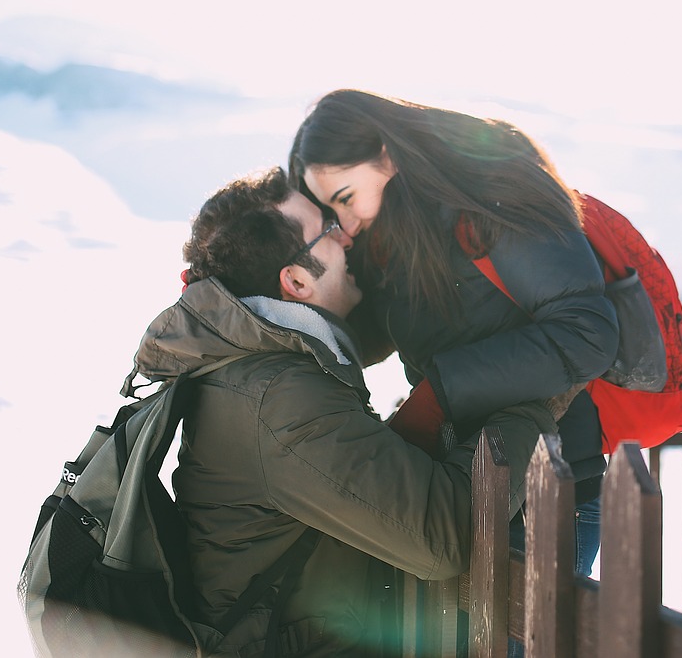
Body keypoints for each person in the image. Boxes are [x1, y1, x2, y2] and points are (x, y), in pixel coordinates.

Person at [132, 167, 559, 657]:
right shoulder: (280, 398)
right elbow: (446, 534)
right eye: (329, 230)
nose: (348, 238)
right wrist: (531, 399)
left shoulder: (259, 373)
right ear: (295, 280)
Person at [287, 89, 619, 580]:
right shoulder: (399, 224)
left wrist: (440, 393)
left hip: (546, 487)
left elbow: (587, 332)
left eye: (346, 199)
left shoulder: (492, 188)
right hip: (460, 481)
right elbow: (390, 327)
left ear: (386, 154)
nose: (348, 224)